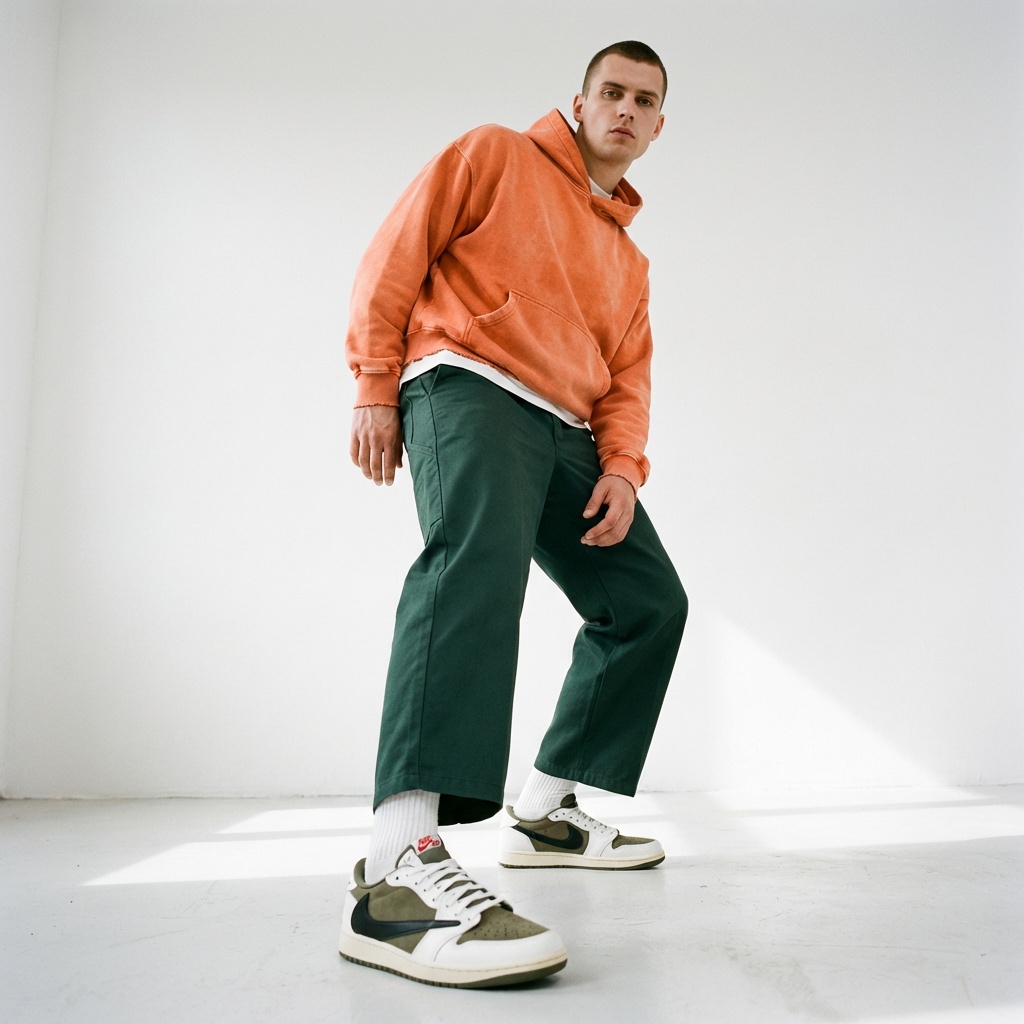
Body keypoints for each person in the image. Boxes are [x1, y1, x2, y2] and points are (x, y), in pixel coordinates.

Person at [339, 40, 687, 988]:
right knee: (475, 568)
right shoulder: (496, 153)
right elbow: (395, 253)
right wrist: (375, 383)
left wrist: (622, 469)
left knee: (647, 602)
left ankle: (545, 812)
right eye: (611, 92)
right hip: (468, 382)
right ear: (579, 101)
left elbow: (627, 378)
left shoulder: (629, 261)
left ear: (658, 126)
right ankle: (393, 871)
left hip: (565, 428)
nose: (625, 109)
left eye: (643, 100)